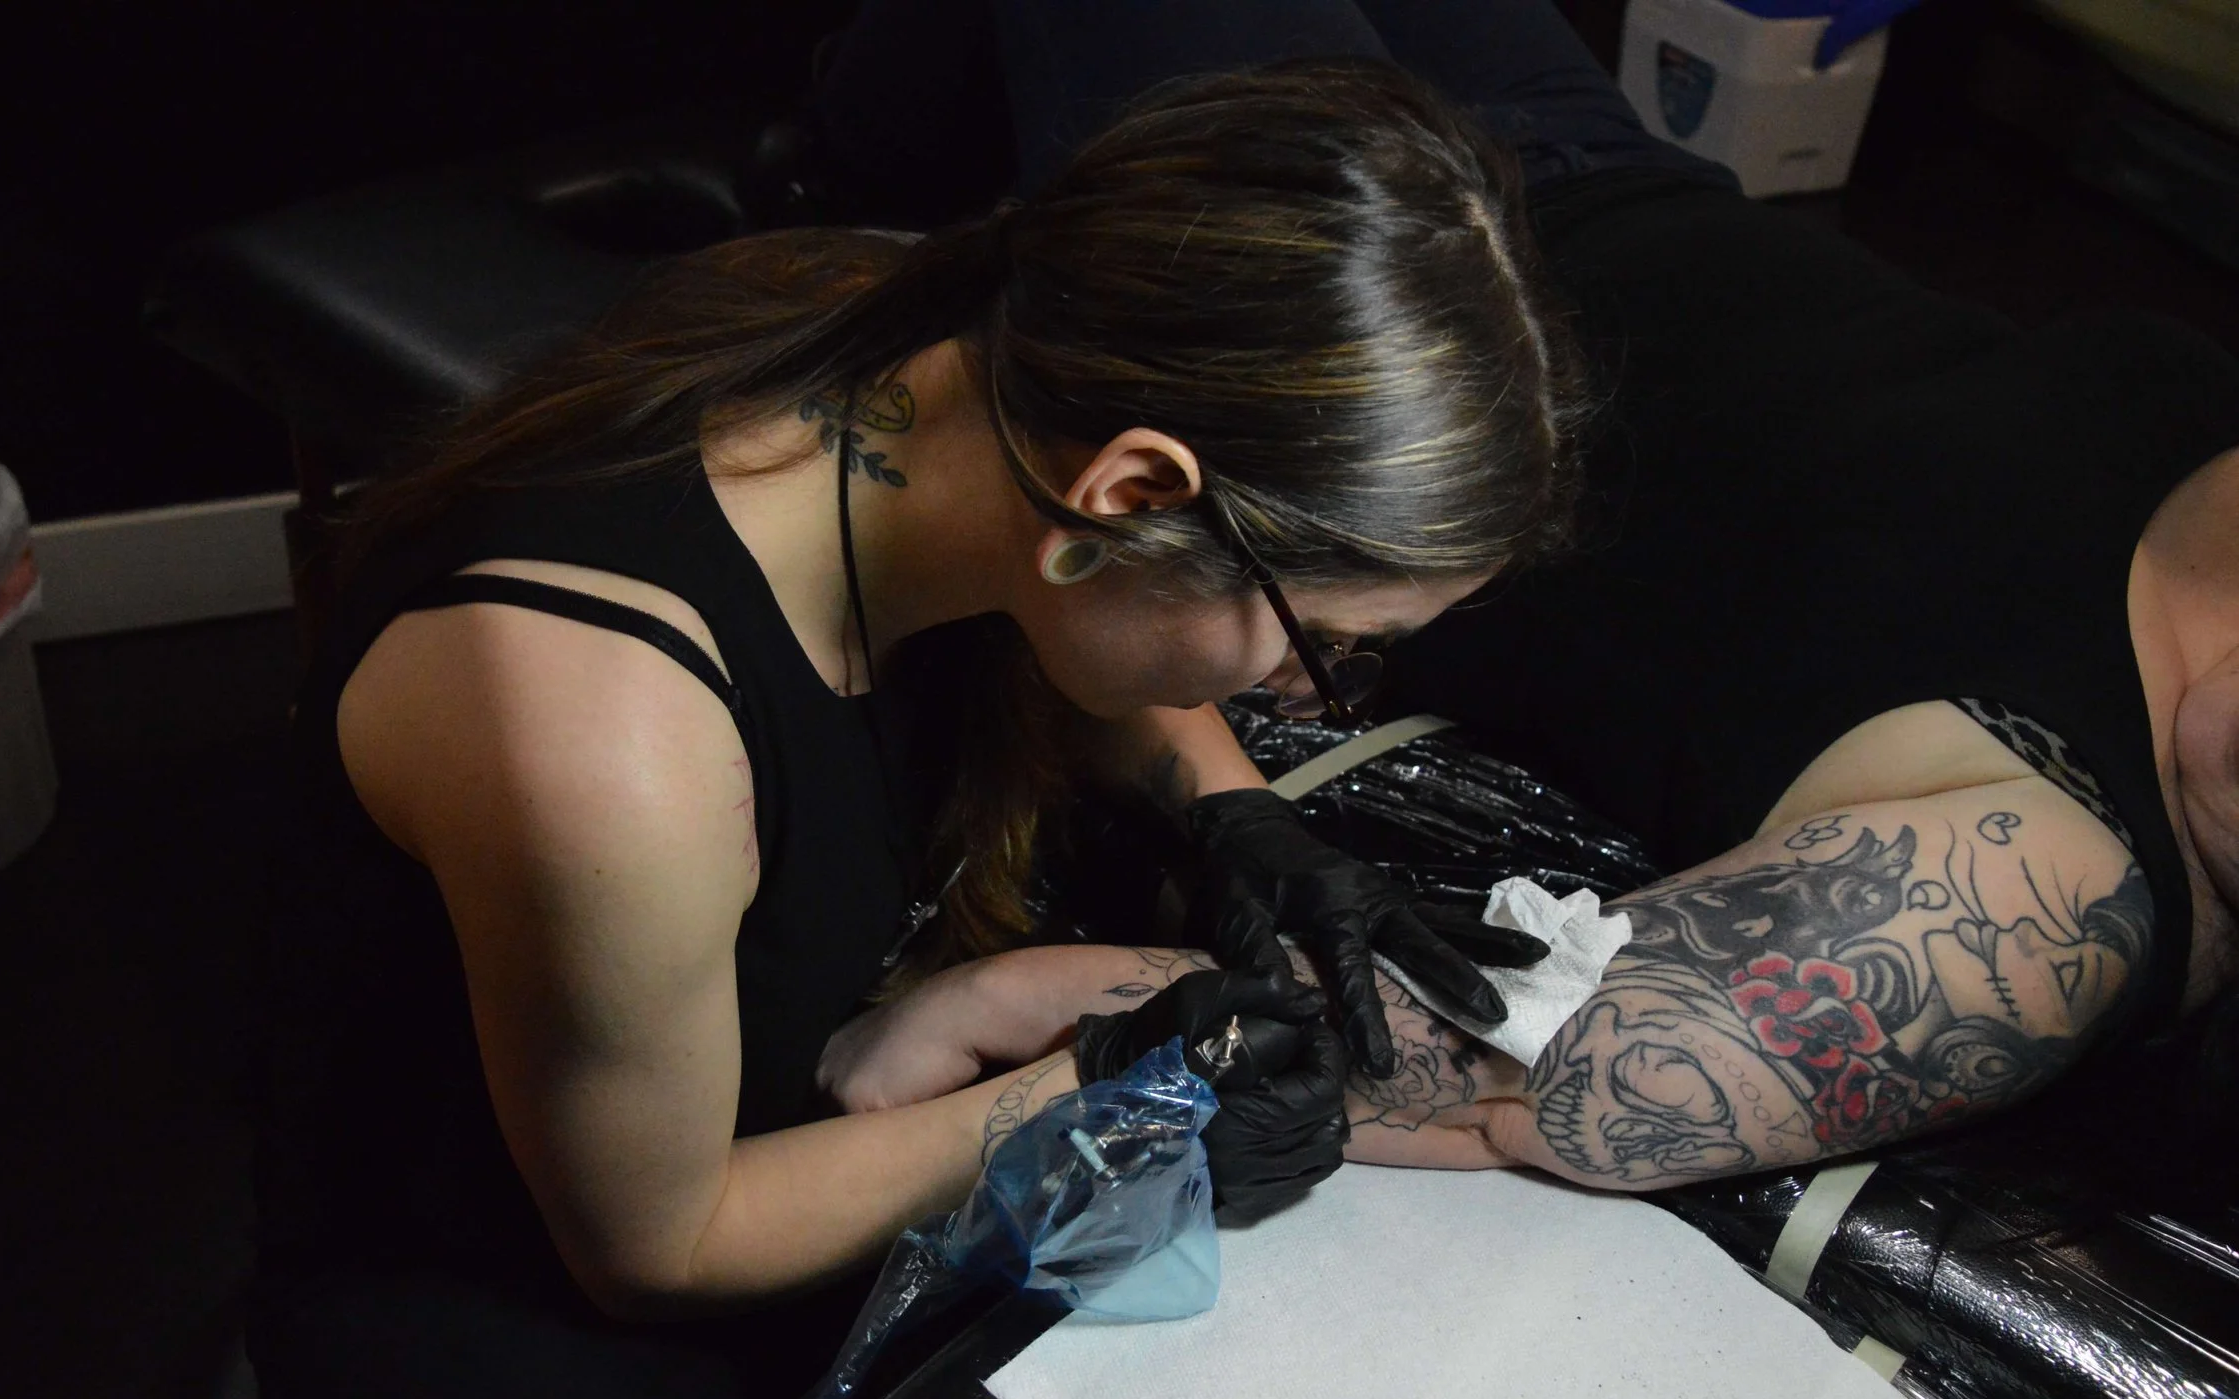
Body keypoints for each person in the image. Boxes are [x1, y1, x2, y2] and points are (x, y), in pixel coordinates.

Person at [252, 56, 1575, 1399]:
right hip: (507, 1265)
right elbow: (656, 1247)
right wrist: (1098, 1089)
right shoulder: (614, 744)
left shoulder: (964, 352)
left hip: (796, 1069)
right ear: (1136, 488)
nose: (1298, 701)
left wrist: (1244, 814)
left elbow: (1076, 606)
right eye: (1326, 649)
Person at [807, 0, 2239, 1191]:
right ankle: (887, 169)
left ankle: (847, 180)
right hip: (1556, 185)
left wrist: (1024, 1006)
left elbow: (1504, 1068)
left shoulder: (2038, 900)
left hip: (1349, 371)